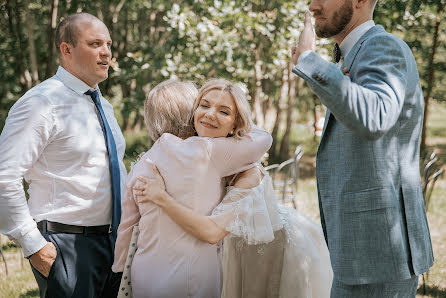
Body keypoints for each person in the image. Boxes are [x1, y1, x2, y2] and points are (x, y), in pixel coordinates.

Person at [133, 81, 333, 297]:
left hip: (267, 261)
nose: (210, 114)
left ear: (236, 124)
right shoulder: (198, 155)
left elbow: (212, 232)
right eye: (204, 105)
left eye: (224, 111)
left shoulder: (248, 174)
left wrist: (160, 197)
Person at [291, 0, 434, 296]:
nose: (312, 4)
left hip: (379, 252)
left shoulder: (382, 46)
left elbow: (375, 117)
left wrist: (308, 59)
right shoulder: (351, 55)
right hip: (361, 251)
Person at [0, 13, 126, 297]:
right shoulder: (41, 103)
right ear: (66, 49)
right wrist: (34, 245)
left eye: (108, 44)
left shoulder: (102, 104)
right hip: (65, 245)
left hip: (113, 244)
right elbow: (4, 176)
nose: (106, 52)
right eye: (95, 43)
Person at [112, 79, 273, 298]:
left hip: (145, 274)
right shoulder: (207, 151)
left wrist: (118, 269)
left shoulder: (142, 164)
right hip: (190, 276)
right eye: (203, 105)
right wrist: (237, 123)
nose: (208, 113)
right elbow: (263, 139)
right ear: (191, 111)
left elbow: (127, 227)